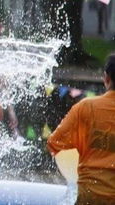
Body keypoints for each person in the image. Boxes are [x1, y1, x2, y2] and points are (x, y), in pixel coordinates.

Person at [47, 55, 115, 204]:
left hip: (90, 196)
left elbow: (54, 142)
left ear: (106, 78)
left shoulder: (86, 108)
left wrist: (85, 145)